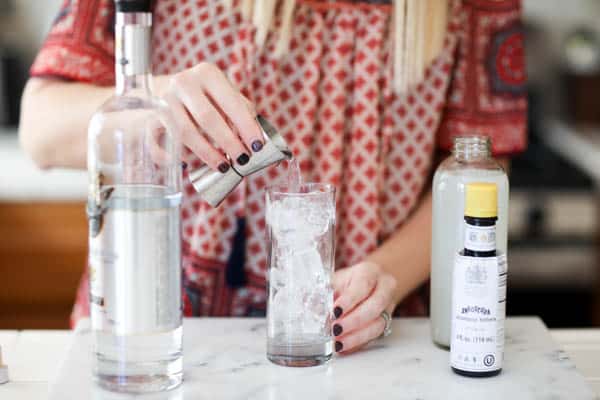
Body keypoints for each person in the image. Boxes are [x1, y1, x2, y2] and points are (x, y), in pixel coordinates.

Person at [19, 0, 526, 354]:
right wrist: (150, 105)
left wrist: (387, 276)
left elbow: (482, 164)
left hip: (367, 344)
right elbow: (40, 128)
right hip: (156, 335)